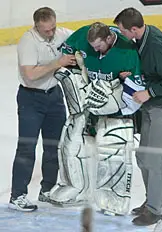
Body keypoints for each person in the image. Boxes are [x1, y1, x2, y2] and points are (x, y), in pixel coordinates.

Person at [48, 22, 145, 215]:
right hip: (88, 101)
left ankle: (114, 199)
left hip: (115, 110)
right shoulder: (83, 35)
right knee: (72, 139)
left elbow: (137, 92)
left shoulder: (127, 51)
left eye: (98, 47)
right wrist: (76, 80)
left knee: (113, 147)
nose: (94, 50)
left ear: (109, 39)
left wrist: (114, 98)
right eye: (91, 47)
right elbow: (67, 56)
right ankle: (76, 187)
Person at [113, 7, 162, 226]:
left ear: (134, 29)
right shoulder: (143, 38)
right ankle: (150, 202)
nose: (121, 34)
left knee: (156, 159)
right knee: (144, 156)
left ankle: (155, 210)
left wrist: (149, 92)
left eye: (123, 31)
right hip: (152, 105)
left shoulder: (155, 46)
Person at [8, 7, 77, 212]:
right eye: (46, 30)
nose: (51, 33)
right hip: (31, 99)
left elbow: (83, 38)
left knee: (54, 146)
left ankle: (47, 190)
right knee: (27, 147)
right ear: (36, 26)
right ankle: (18, 195)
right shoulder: (28, 42)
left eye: (53, 28)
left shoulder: (62, 34)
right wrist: (58, 63)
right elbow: (30, 75)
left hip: (54, 97)